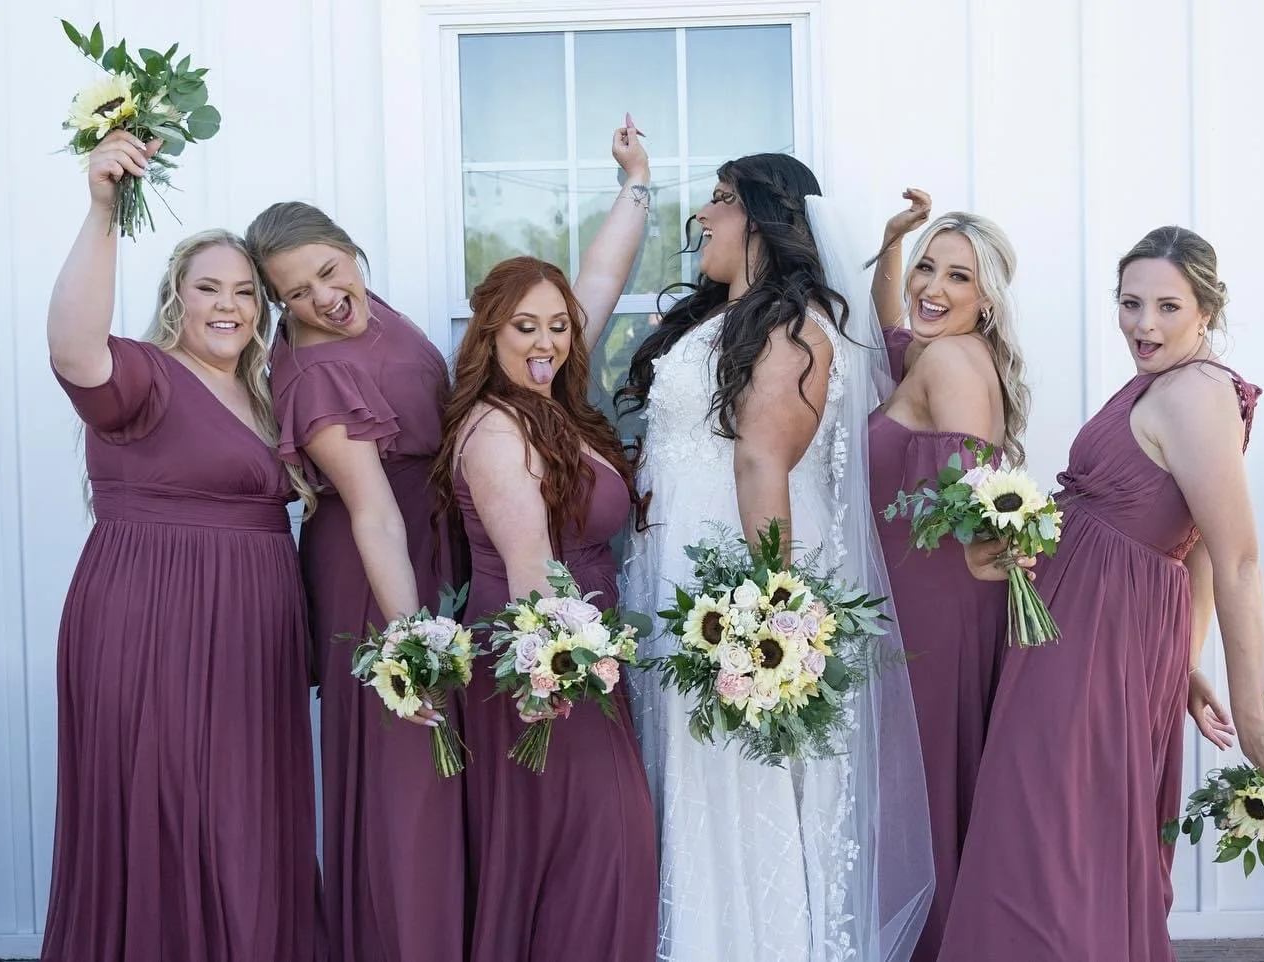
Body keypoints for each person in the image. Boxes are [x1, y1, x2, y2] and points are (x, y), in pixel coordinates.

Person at [937, 227, 1264, 962]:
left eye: (1168, 306)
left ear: (1206, 310)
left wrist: (1254, 714)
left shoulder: (1197, 393)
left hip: (1096, 649)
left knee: (1051, 837)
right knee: (1044, 830)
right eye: (1130, 304)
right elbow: (1189, 548)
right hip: (1080, 635)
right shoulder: (1161, 383)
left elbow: (1235, 559)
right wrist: (1186, 664)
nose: (1144, 324)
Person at [616, 154, 933, 962]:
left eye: (718, 202)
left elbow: (763, 463)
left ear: (759, 217)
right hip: (675, 573)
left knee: (733, 773)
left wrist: (769, 616)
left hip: (735, 581)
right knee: (691, 775)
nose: (702, 220)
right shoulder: (721, 318)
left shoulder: (792, 327)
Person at [41, 130, 321, 962]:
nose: (227, 305)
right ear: (178, 296)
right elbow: (70, 347)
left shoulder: (269, 394)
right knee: (171, 812)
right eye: (208, 288)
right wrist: (102, 208)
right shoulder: (145, 375)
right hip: (153, 623)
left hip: (251, 645)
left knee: (245, 823)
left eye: (244, 291)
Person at [432, 122, 658, 962]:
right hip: (547, 662)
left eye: (558, 327)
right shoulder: (497, 430)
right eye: (525, 327)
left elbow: (599, 275)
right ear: (489, 333)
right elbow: (531, 567)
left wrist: (636, 181)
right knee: (601, 844)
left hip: (582, 648)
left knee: (582, 852)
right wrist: (551, 675)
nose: (548, 342)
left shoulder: (552, 399)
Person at [245, 199, 462, 962]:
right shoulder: (318, 372)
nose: (323, 299)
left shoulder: (362, 310)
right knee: (410, 774)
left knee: (444, 771)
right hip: (379, 568)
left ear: (348, 248)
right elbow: (372, 514)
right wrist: (409, 644)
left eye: (329, 272)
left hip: (431, 541)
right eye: (296, 294)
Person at [865, 192, 1026, 961]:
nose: (934, 288)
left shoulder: (956, 361)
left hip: (936, 611)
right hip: (917, 605)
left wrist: (990, 551)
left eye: (957, 278)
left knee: (927, 792)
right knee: (922, 789)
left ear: (985, 300)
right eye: (928, 268)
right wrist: (895, 242)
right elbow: (889, 321)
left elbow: (981, 501)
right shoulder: (932, 352)